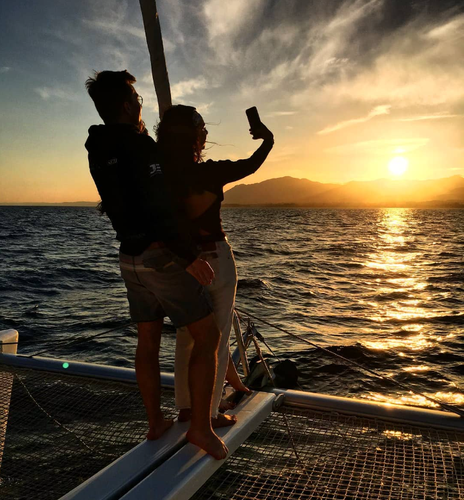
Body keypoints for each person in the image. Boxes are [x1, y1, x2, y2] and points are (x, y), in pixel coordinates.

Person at [84, 71, 228, 460]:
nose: (140, 104)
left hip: (128, 258)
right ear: (127, 105)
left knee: (147, 340)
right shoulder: (140, 147)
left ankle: (155, 422)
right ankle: (200, 428)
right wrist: (188, 257)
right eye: (137, 98)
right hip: (160, 255)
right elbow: (158, 207)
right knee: (208, 336)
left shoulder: (98, 147)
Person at [156, 104, 274, 423]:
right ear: (196, 138)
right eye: (202, 132)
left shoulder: (160, 177)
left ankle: (186, 408)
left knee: (187, 336)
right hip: (215, 260)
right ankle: (207, 413)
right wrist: (267, 140)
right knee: (216, 339)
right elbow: (251, 165)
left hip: (183, 263)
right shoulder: (209, 172)